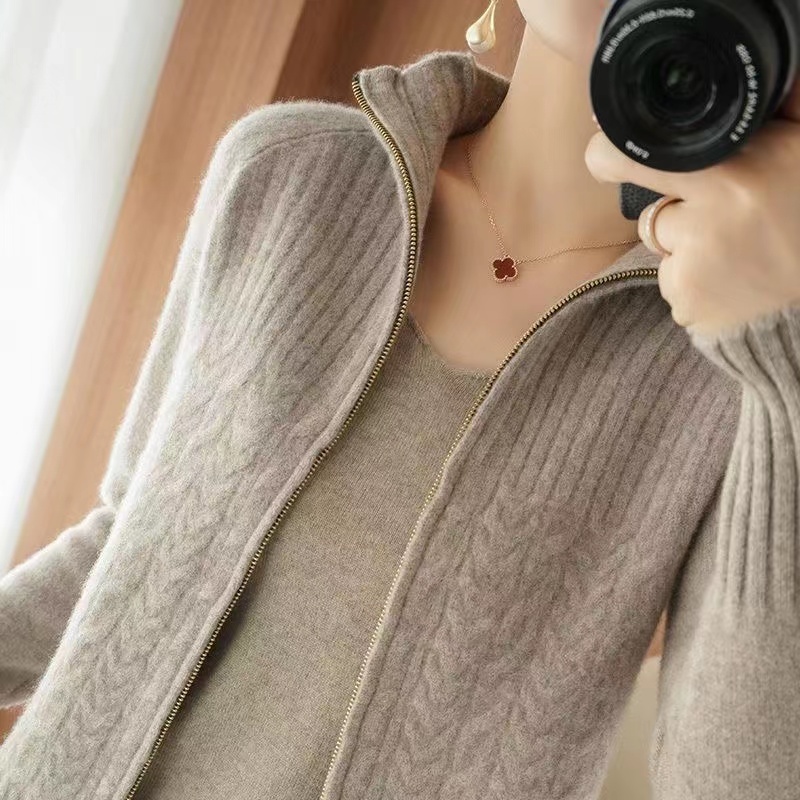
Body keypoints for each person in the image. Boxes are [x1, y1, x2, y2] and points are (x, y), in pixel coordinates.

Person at [1, 1, 799, 799]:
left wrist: (781, 364)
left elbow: (732, 782)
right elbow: (129, 547)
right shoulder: (286, 170)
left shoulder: (745, 374)